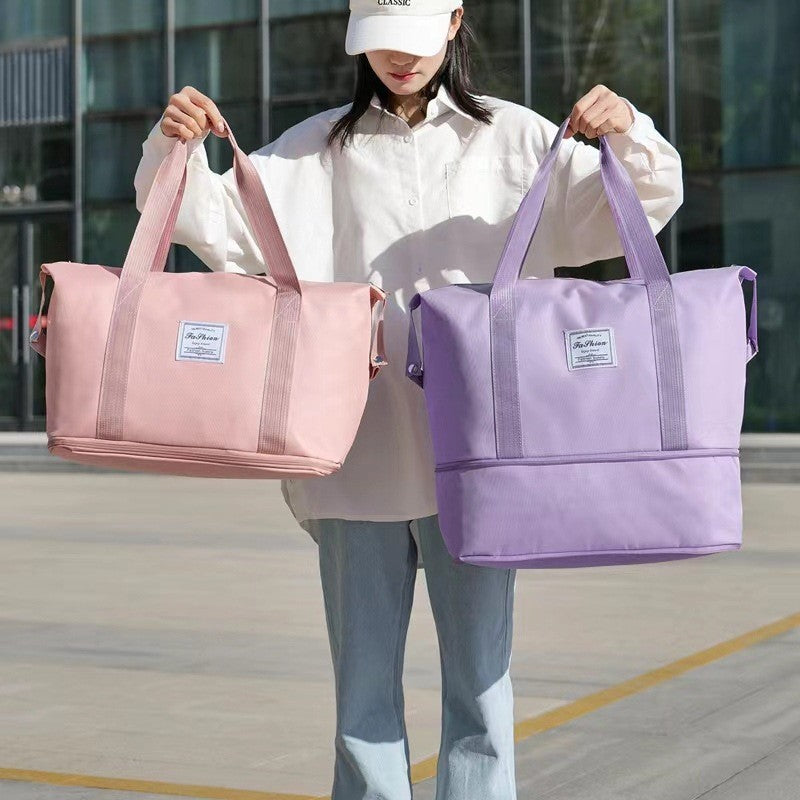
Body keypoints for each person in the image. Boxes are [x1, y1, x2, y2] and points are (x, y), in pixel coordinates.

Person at [134, 2, 683, 797]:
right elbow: (212, 223)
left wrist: (628, 131)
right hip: (355, 452)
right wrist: (173, 143)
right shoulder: (313, 151)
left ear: (454, 21)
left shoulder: (516, 138)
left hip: (484, 457)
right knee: (362, 699)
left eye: (415, 38)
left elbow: (631, 208)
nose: (399, 58)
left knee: (482, 692)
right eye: (381, 41)